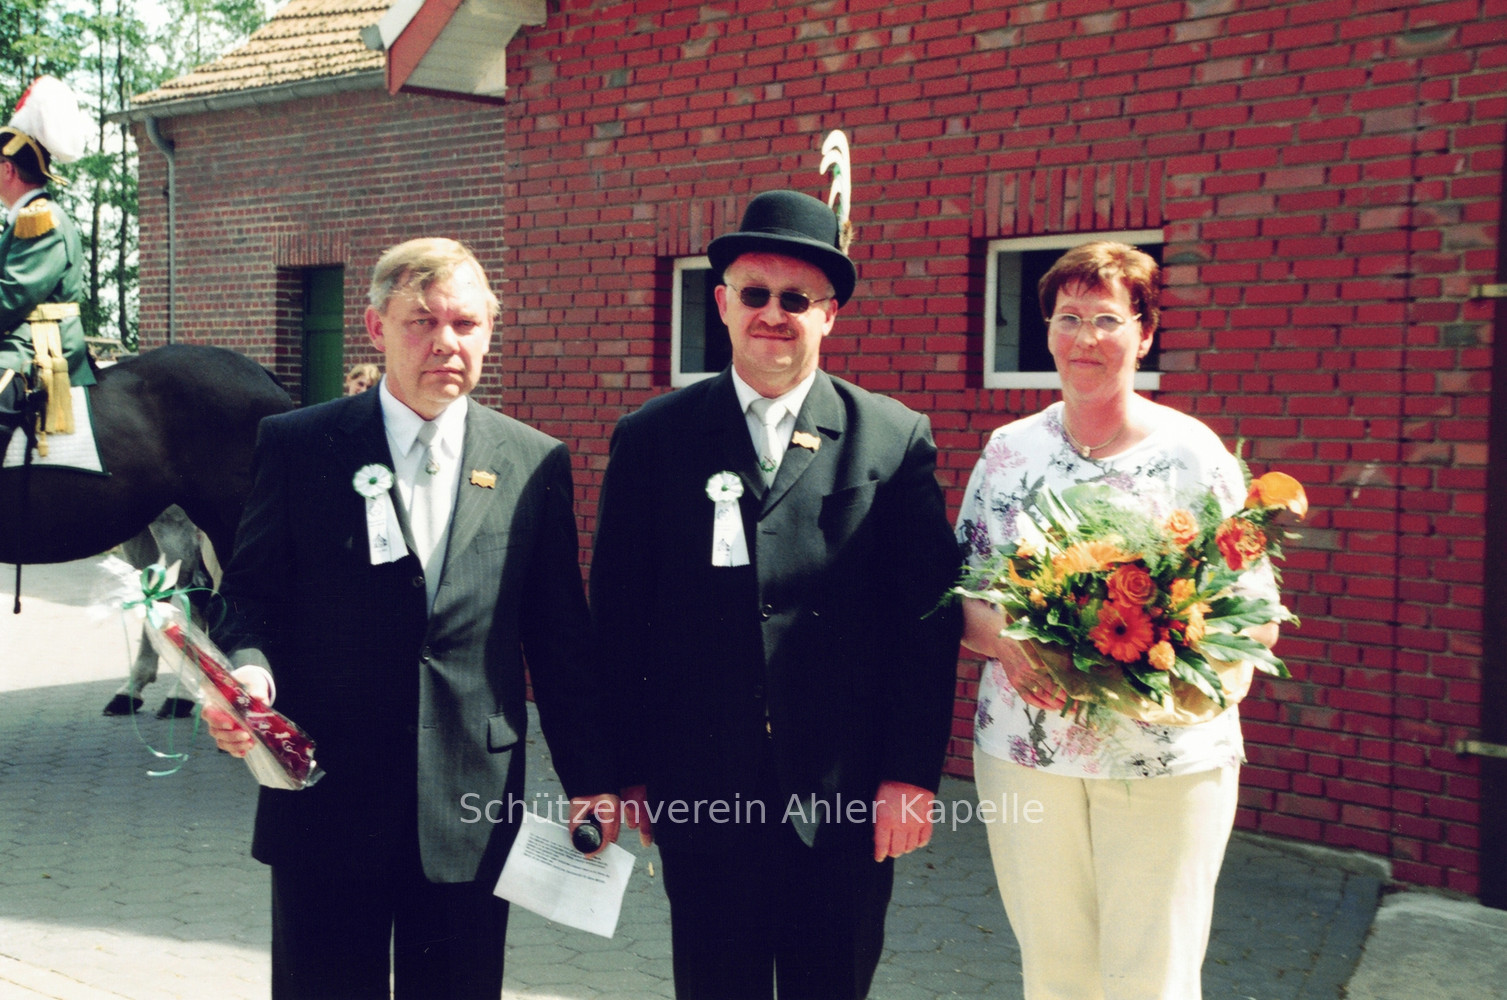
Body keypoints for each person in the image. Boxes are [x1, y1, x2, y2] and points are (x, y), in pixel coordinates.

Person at [206, 238, 619, 1000]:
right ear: (375, 327)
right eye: (421, 322)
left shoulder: (533, 461)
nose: (445, 343)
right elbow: (249, 597)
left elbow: (559, 641)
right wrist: (249, 678)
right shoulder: (299, 445)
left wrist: (593, 780)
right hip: (327, 798)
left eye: (465, 324)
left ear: (490, 329)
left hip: (470, 804)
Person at [590, 189, 963, 1000]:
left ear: (829, 315)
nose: (772, 314)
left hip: (844, 791)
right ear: (722, 303)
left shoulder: (890, 437)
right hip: (700, 786)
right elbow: (618, 619)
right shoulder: (652, 438)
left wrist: (909, 776)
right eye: (754, 293)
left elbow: (924, 625)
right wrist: (626, 771)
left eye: (795, 300)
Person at [954, 241, 1284, 1000]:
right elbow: (961, 597)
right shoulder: (1009, 453)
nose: (1086, 339)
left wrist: (1173, 655)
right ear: (1046, 332)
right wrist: (1006, 642)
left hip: (1164, 761)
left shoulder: (1193, 455)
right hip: (1028, 750)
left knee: (1151, 976)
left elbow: (1257, 615)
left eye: (1107, 319)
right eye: (1068, 318)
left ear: (1144, 333)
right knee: (1054, 973)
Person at [0, 75, 93, 442]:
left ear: (8, 169)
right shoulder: (25, 218)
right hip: (24, 338)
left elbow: (13, 297)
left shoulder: (38, 219)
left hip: (40, 345)